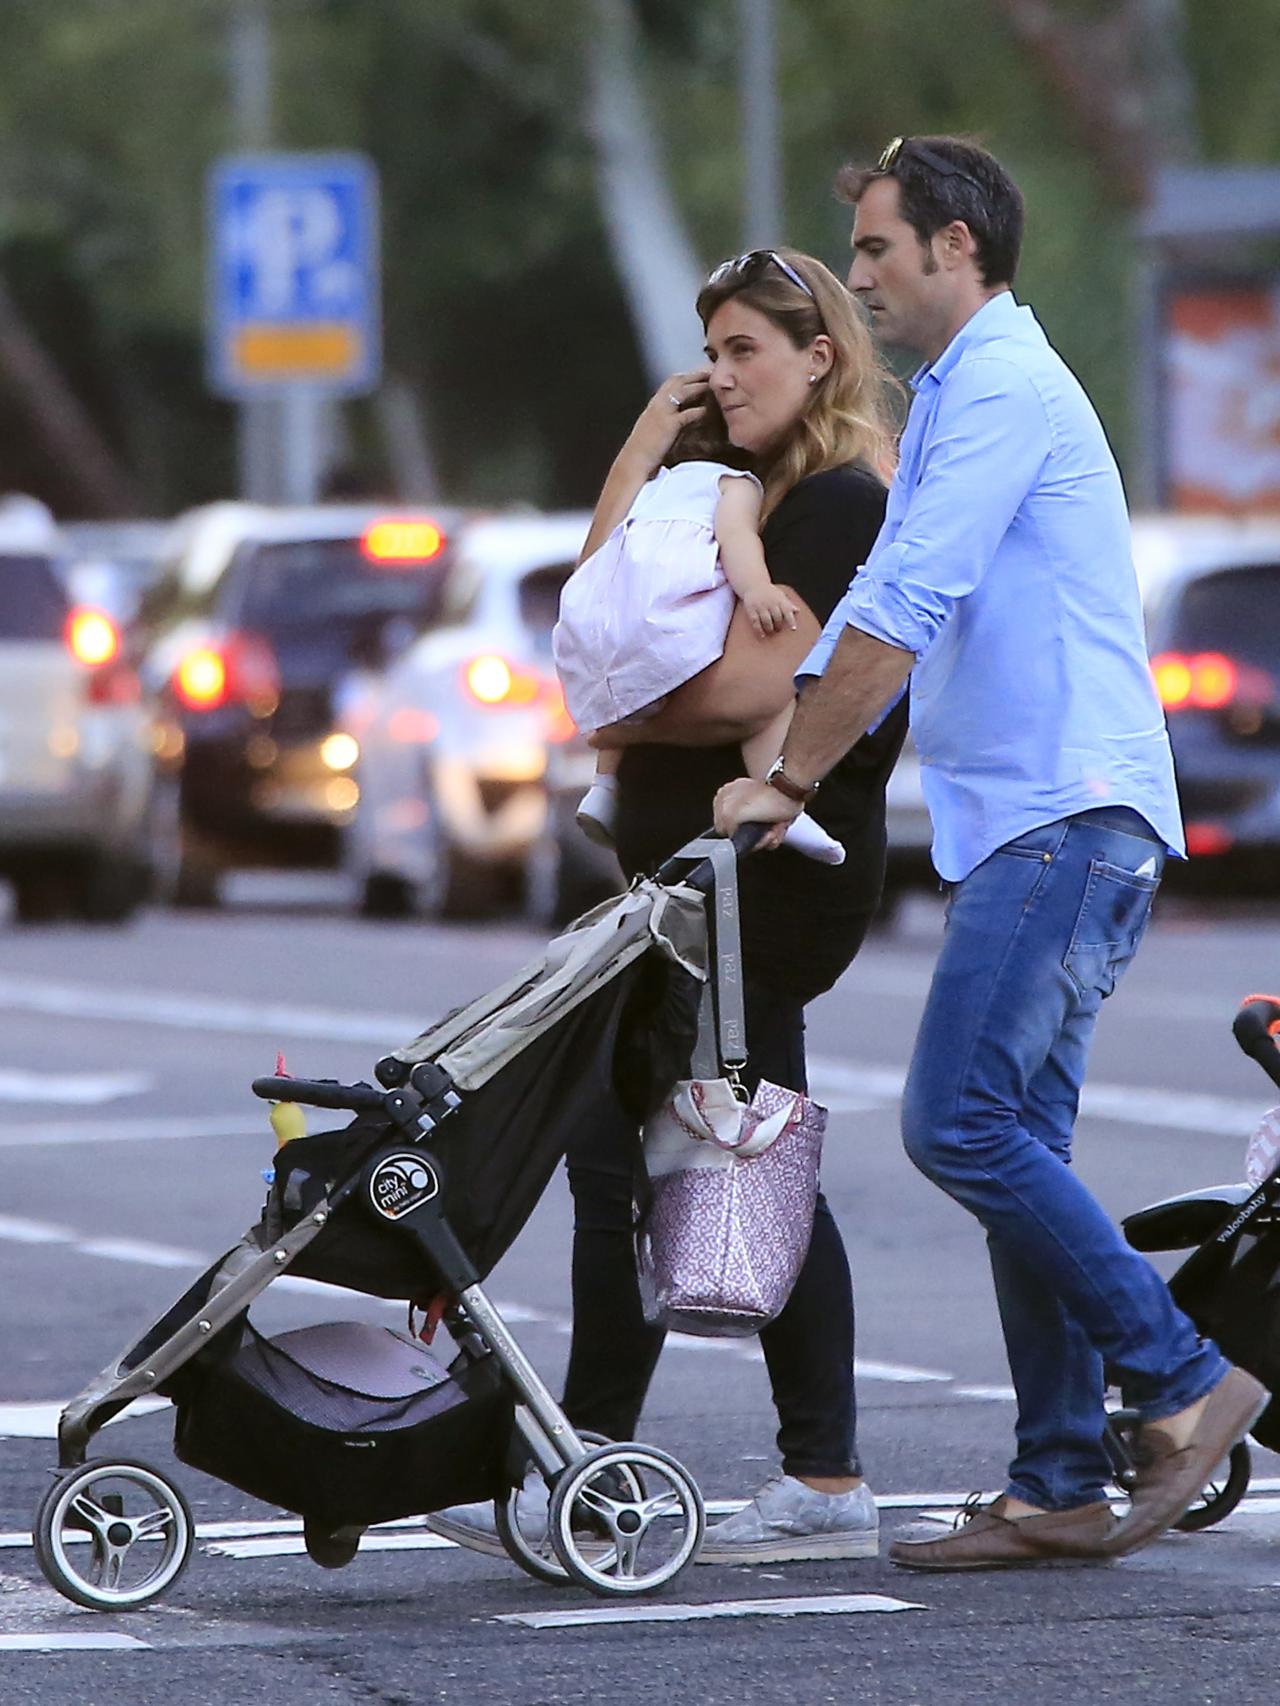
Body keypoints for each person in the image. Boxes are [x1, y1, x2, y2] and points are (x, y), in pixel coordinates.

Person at [714, 136, 1267, 1571]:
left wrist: (789, 774)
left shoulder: (1006, 386)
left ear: (954, 246)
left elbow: (906, 598)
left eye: (877, 248)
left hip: (1064, 819)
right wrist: (792, 749)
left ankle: (1182, 1376)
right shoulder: (961, 393)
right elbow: (876, 613)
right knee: (1017, 1140)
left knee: (956, 1122)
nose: (858, 278)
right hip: (1042, 818)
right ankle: (1061, 1481)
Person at [427, 247, 908, 1566]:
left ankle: (736, 1466)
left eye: (746, 349)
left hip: (766, 882)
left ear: (819, 357)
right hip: (681, 882)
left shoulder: (837, 505)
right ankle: (672, 1462)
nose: (721, 374)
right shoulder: (724, 488)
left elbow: (753, 691)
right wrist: (643, 444)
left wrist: (623, 708)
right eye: (711, 351)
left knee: (710, 1148)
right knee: (680, 1150)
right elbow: (593, 615)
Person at [555, 440, 845, 865]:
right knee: (770, 701)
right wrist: (757, 589)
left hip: (613, 630)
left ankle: (602, 789)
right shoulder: (733, 483)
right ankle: (780, 799)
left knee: (626, 692)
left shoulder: (653, 487)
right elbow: (736, 538)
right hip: (674, 627)